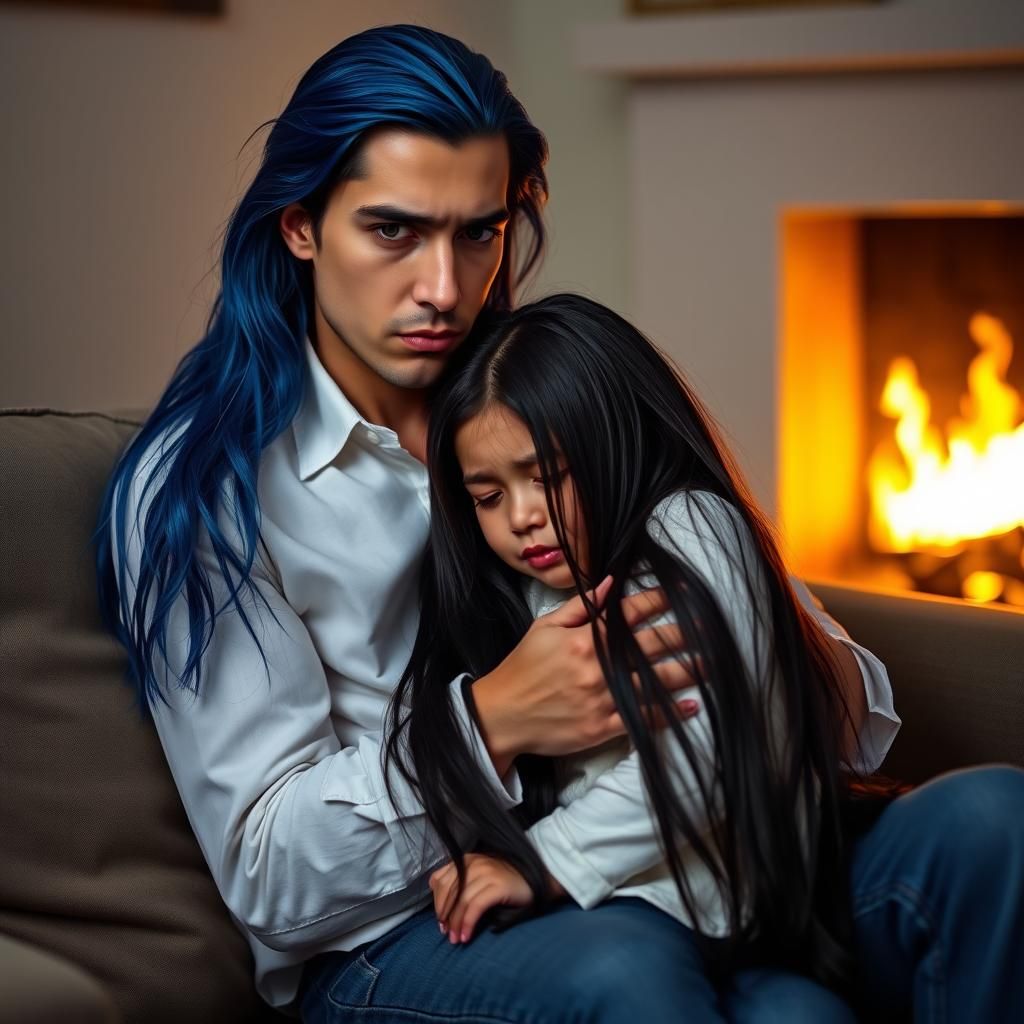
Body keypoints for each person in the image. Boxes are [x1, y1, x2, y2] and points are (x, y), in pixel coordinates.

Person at [96, 23, 1024, 1023]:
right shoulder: (207, 485)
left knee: (991, 820)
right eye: (394, 231)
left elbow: (847, 707)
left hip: (702, 836)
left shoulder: (554, 385)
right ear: (300, 226)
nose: (445, 289)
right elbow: (267, 875)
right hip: (410, 930)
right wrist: (495, 719)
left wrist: (749, 655)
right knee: (637, 969)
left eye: (478, 233)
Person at [386, 293, 865, 1000]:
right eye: (488, 497)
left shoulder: (693, 528)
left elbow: (711, 750)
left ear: (612, 441)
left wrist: (541, 860)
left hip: (731, 917)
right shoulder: (513, 591)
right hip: (621, 921)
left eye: (546, 478)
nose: (521, 518)